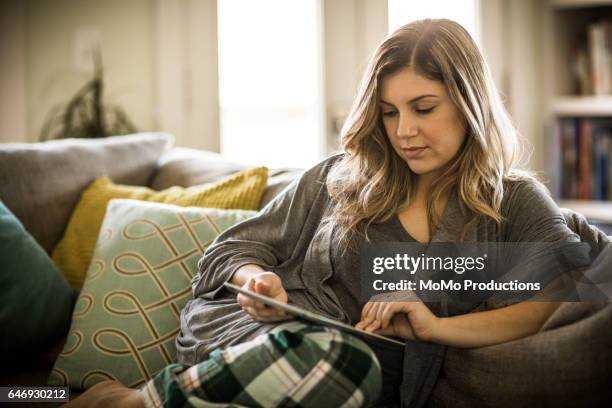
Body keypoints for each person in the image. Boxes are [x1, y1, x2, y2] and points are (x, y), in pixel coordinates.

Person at [66, 18, 580, 408]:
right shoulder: (341, 176)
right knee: (329, 358)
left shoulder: (512, 202)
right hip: (255, 342)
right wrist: (258, 280)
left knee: (347, 368)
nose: (403, 131)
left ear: (471, 106)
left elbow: (556, 295)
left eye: (423, 109)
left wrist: (430, 328)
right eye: (389, 111)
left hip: (355, 381)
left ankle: (136, 401)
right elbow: (230, 251)